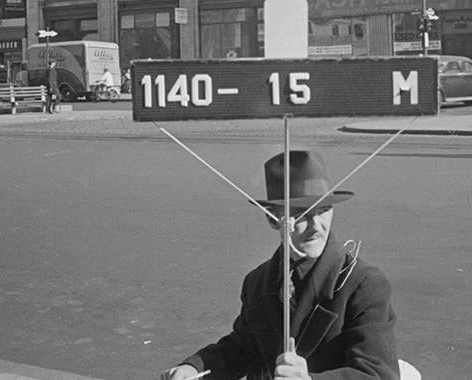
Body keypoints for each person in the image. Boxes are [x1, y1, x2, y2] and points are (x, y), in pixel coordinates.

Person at [161, 149, 400, 380]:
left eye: (324, 210)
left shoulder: (363, 283)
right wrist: (195, 368)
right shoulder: (258, 281)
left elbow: (379, 374)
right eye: (302, 214)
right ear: (272, 219)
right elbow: (243, 348)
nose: (317, 226)